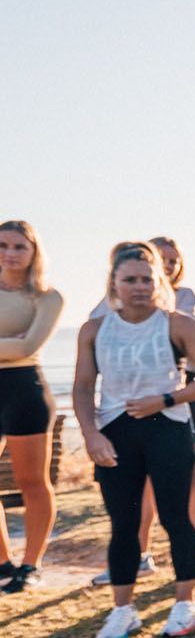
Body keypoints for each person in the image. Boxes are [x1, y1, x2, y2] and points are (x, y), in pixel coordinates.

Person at [72, 242, 195, 638]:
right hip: (115, 433)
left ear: (159, 281)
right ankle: (123, 611)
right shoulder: (94, 330)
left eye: (147, 278)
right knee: (123, 525)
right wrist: (91, 435)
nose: (139, 286)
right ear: (114, 283)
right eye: (130, 279)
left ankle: (185, 603)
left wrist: (167, 399)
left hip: (169, 428)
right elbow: (83, 387)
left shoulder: (177, 325)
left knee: (177, 518)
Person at [0, 220, 64, 593]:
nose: (10, 253)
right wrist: (14, 340)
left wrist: (18, 344)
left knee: (31, 482)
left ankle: (31, 564)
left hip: (24, 390)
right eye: (3, 245)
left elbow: (28, 348)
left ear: (33, 251)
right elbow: (18, 343)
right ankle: (3, 561)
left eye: (18, 246)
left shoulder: (47, 297)